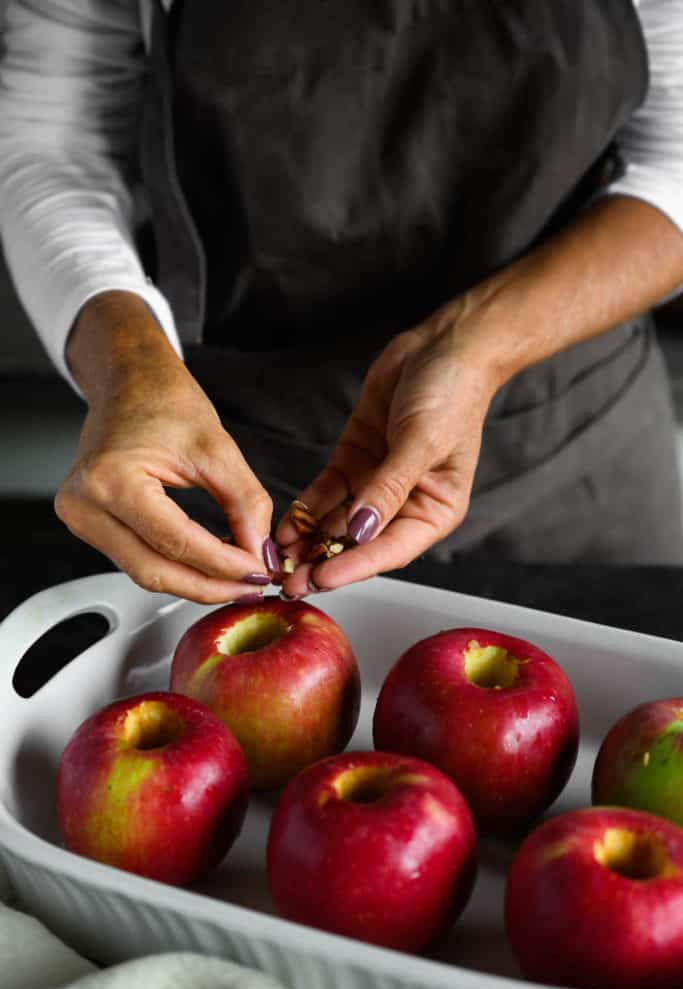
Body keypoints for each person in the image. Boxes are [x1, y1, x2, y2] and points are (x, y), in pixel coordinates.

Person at [1, 0, 683, 606]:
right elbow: (54, 140)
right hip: (235, 451)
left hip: (581, 449)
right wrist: (129, 369)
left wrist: (479, 342)